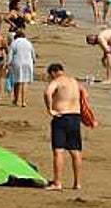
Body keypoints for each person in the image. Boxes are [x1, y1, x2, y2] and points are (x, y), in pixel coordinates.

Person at [43, 63, 83, 191]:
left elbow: (47, 93)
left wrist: (50, 109)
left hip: (61, 117)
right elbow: (84, 94)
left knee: (58, 151)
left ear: (53, 73)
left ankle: (57, 182)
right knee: (75, 152)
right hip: (75, 117)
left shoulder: (57, 81)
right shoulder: (74, 81)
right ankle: (77, 183)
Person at [6, 29, 36, 107]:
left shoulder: (14, 43)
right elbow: (33, 54)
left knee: (17, 81)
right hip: (28, 63)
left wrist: (8, 63)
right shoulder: (28, 43)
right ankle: (23, 101)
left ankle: (16, 100)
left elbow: (10, 55)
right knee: (25, 82)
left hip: (17, 63)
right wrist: (34, 61)